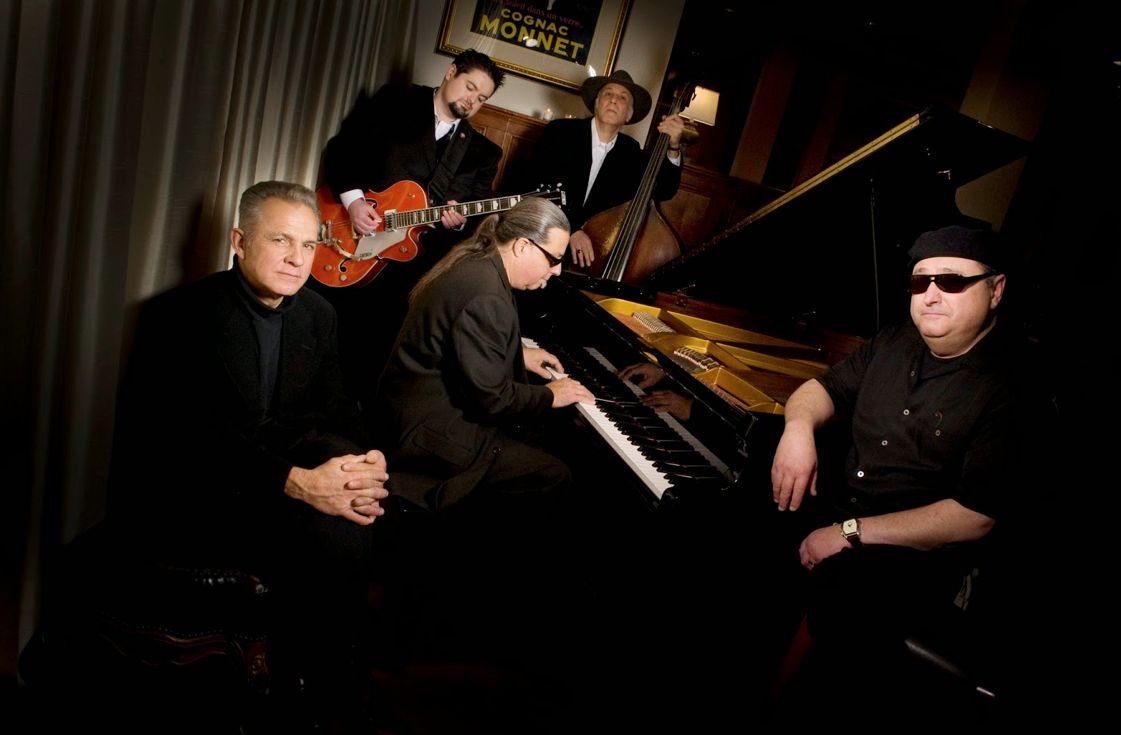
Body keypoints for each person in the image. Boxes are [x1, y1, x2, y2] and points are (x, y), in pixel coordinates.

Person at [110, 181, 399, 730]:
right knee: (333, 524)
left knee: (353, 499)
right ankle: (319, 690)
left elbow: (334, 408)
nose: (297, 259)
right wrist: (299, 483)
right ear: (239, 241)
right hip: (198, 494)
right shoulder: (181, 315)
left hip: (270, 474)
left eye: (309, 245)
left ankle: (323, 682)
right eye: (280, 241)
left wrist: (366, 460)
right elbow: (187, 442)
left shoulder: (318, 313)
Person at [767, 225, 1034, 718]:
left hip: (915, 557)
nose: (931, 295)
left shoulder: (1014, 386)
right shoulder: (893, 340)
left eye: (951, 281)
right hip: (843, 507)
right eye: (919, 281)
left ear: (996, 290)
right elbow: (819, 390)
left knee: (845, 599)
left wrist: (848, 533)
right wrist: (798, 430)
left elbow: (973, 516)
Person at [375, 198, 594, 514]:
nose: (558, 270)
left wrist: (517, 353)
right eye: (554, 258)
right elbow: (494, 400)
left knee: (539, 436)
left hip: (410, 405)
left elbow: (459, 336)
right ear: (522, 246)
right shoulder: (486, 294)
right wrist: (551, 395)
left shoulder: (478, 262)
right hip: (426, 433)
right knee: (555, 474)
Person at [317, 49, 506, 413]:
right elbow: (343, 150)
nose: (472, 100)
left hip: (409, 272)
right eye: (470, 87)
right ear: (450, 72)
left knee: (375, 356)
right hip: (349, 245)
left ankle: (353, 416)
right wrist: (354, 203)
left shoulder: (484, 153)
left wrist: (460, 220)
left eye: (482, 98)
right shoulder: (395, 102)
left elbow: (478, 215)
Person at [521, 69, 685, 268]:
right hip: (543, 242)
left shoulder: (631, 152)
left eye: (622, 97)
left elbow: (665, 190)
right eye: (608, 94)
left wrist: (674, 146)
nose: (614, 100)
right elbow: (532, 184)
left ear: (629, 114)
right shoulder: (560, 132)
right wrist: (571, 229)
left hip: (591, 261)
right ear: (596, 104)